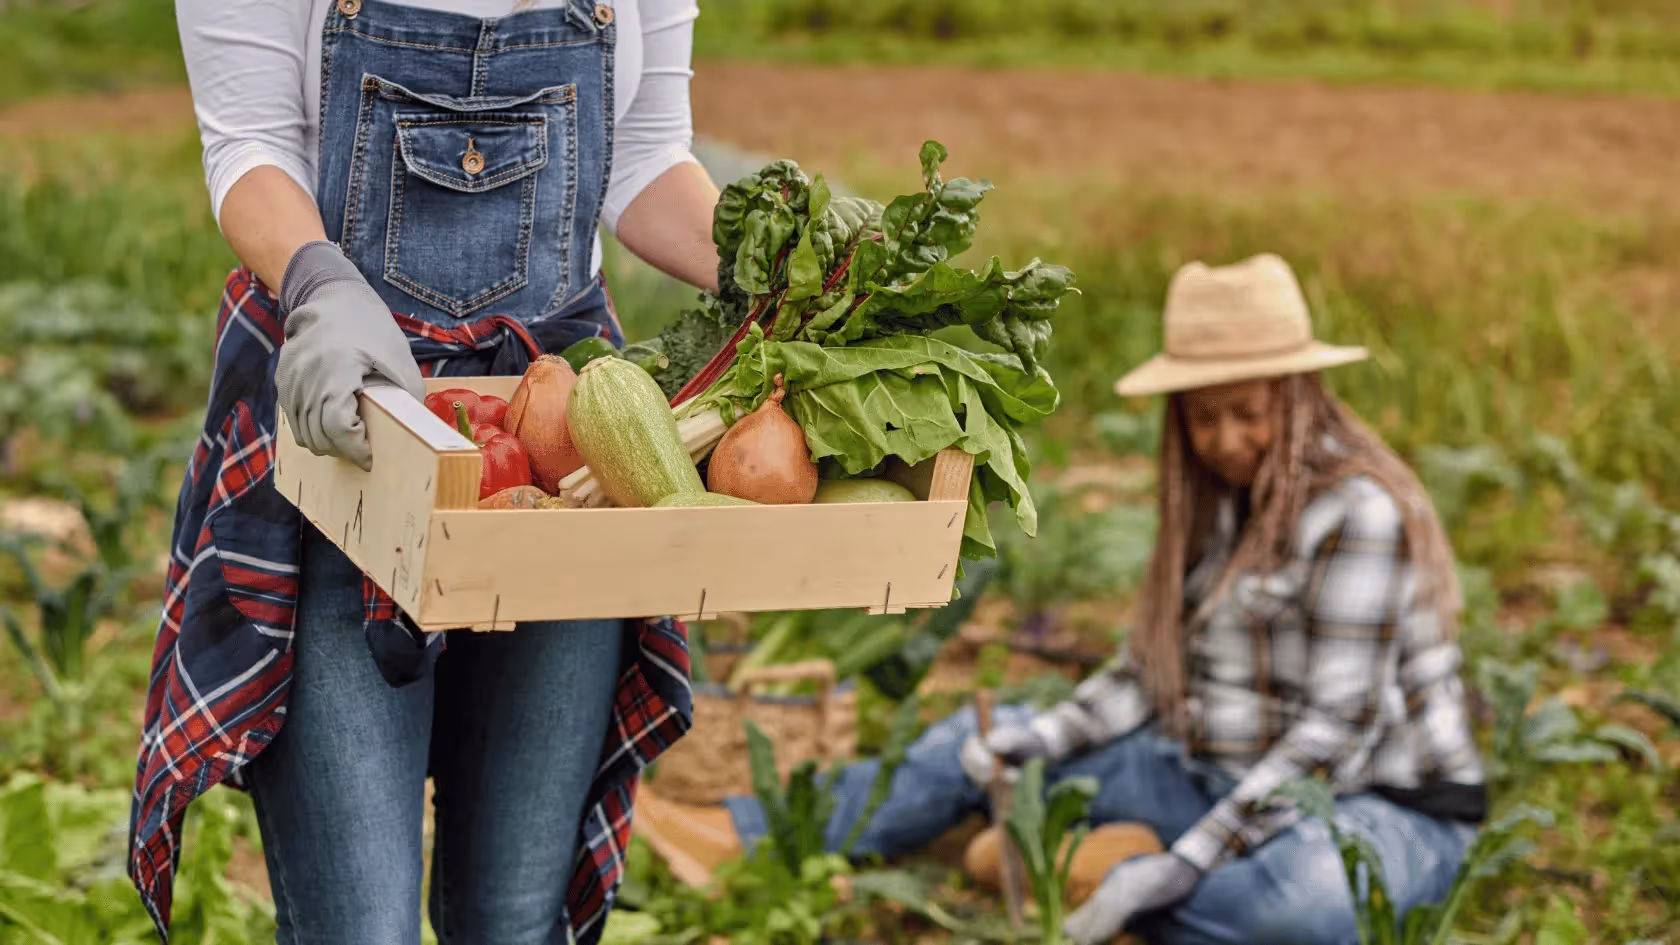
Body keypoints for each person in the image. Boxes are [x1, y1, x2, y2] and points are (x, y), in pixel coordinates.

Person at [640, 253, 1487, 945]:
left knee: (1292, 910)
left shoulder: (1359, 514)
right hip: (1203, 773)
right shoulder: (1218, 506)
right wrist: (1031, 741)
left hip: (1368, 805)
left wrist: (1186, 860)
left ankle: (1116, 876)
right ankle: (747, 839)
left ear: (1297, 399)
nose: (1226, 441)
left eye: (1248, 414)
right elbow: (1145, 680)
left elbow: (1332, 736)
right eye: (1204, 418)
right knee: (966, 741)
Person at [129, 2, 712, 942]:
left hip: (555, 443)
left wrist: (794, 275)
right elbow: (251, 144)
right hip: (350, 430)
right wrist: (318, 282)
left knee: (516, 919)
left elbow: (646, 158)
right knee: (360, 928)